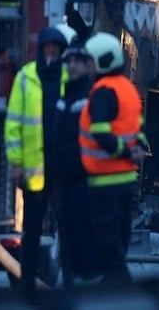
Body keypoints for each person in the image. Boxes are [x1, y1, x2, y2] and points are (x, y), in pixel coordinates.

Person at [4, 25, 72, 300]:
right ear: (41, 49)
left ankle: (70, 285)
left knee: (66, 231)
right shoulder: (25, 78)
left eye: (56, 48)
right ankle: (27, 286)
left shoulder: (68, 77)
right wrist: (16, 163)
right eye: (48, 47)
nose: (51, 52)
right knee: (30, 233)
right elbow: (13, 125)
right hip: (35, 172)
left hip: (61, 170)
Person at [78, 32, 146, 285]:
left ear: (102, 61)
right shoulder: (128, 89)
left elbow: (101, 134)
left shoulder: (102, 92)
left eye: (89, 61)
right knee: (118, 243)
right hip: (126, 181)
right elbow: (137, 129)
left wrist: (126, 152)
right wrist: (136, 149)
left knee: (109, 249)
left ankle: (122, 295)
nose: (86, 67)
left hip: (105, 182)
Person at [55, 39, 99, 286]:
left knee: (82, 232)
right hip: (64, 179)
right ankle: (70, 281)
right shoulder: (66, 97)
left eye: (77, 62)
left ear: (87, 65)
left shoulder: (86, 98)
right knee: (67, 233)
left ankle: (84, 284)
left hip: (82, 179)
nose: (71, 66)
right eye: (68, 61)